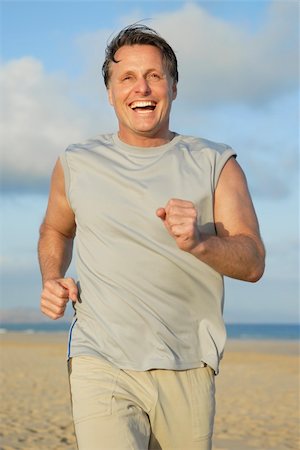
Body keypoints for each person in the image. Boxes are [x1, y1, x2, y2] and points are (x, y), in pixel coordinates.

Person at [38, 24, 265, 450]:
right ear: (109, 92)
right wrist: (51, 276)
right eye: (126, 77)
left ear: (174, 88)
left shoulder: (217, 162)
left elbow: (253, 262)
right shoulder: (76, 162)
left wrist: (201, 241)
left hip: (188, 363)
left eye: (155, 76)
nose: (141, 88)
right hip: (100, 356)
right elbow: (56, 228)